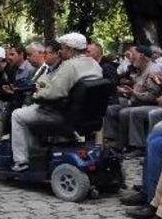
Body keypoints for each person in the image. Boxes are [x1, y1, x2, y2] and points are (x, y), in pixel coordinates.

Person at [10, 33, 103, 172]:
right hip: (87, 115)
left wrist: (37, 94)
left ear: (70, 49)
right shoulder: (94, 64)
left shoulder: (70, 66)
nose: (61, 51)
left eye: (63, 48)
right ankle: (40, 151)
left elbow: (54, 93)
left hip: (61, 115)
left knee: (17, 115)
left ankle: (22, 161)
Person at [102, 45, 162, 152]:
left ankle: (137, 146)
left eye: (133, 54)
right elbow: (138, 90)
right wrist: (126, 92)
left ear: (142, 56)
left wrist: (133, 93)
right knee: (110, 109)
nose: (131, 57)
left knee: (129, 112)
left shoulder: (153, 71)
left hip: (152, 105)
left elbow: (153, 96)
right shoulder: (139, 69)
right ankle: (112, 141)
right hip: (137, 101)